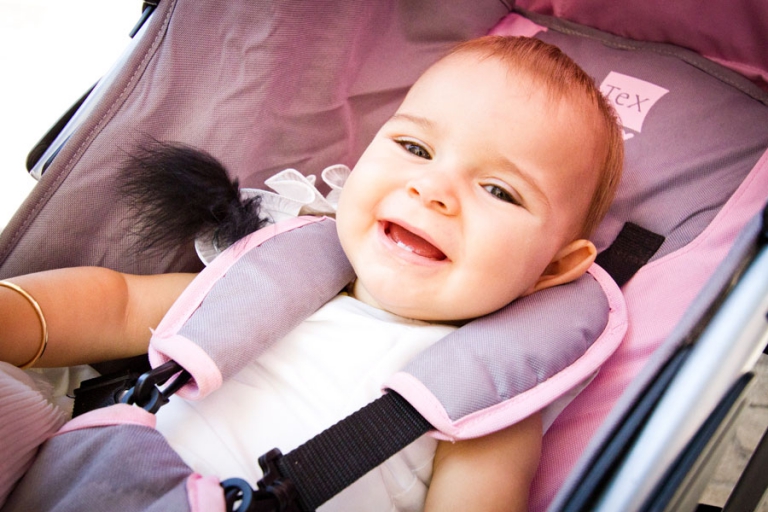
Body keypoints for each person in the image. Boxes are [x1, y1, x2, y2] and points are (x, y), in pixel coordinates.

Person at [0, 36, 623, 511]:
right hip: (92, 473)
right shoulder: (284, 275)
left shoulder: (488, 398)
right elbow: (116, 306)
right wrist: (20, 315)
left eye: (497, 189)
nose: (432, 189)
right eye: (414, 149)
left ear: (555, 268)